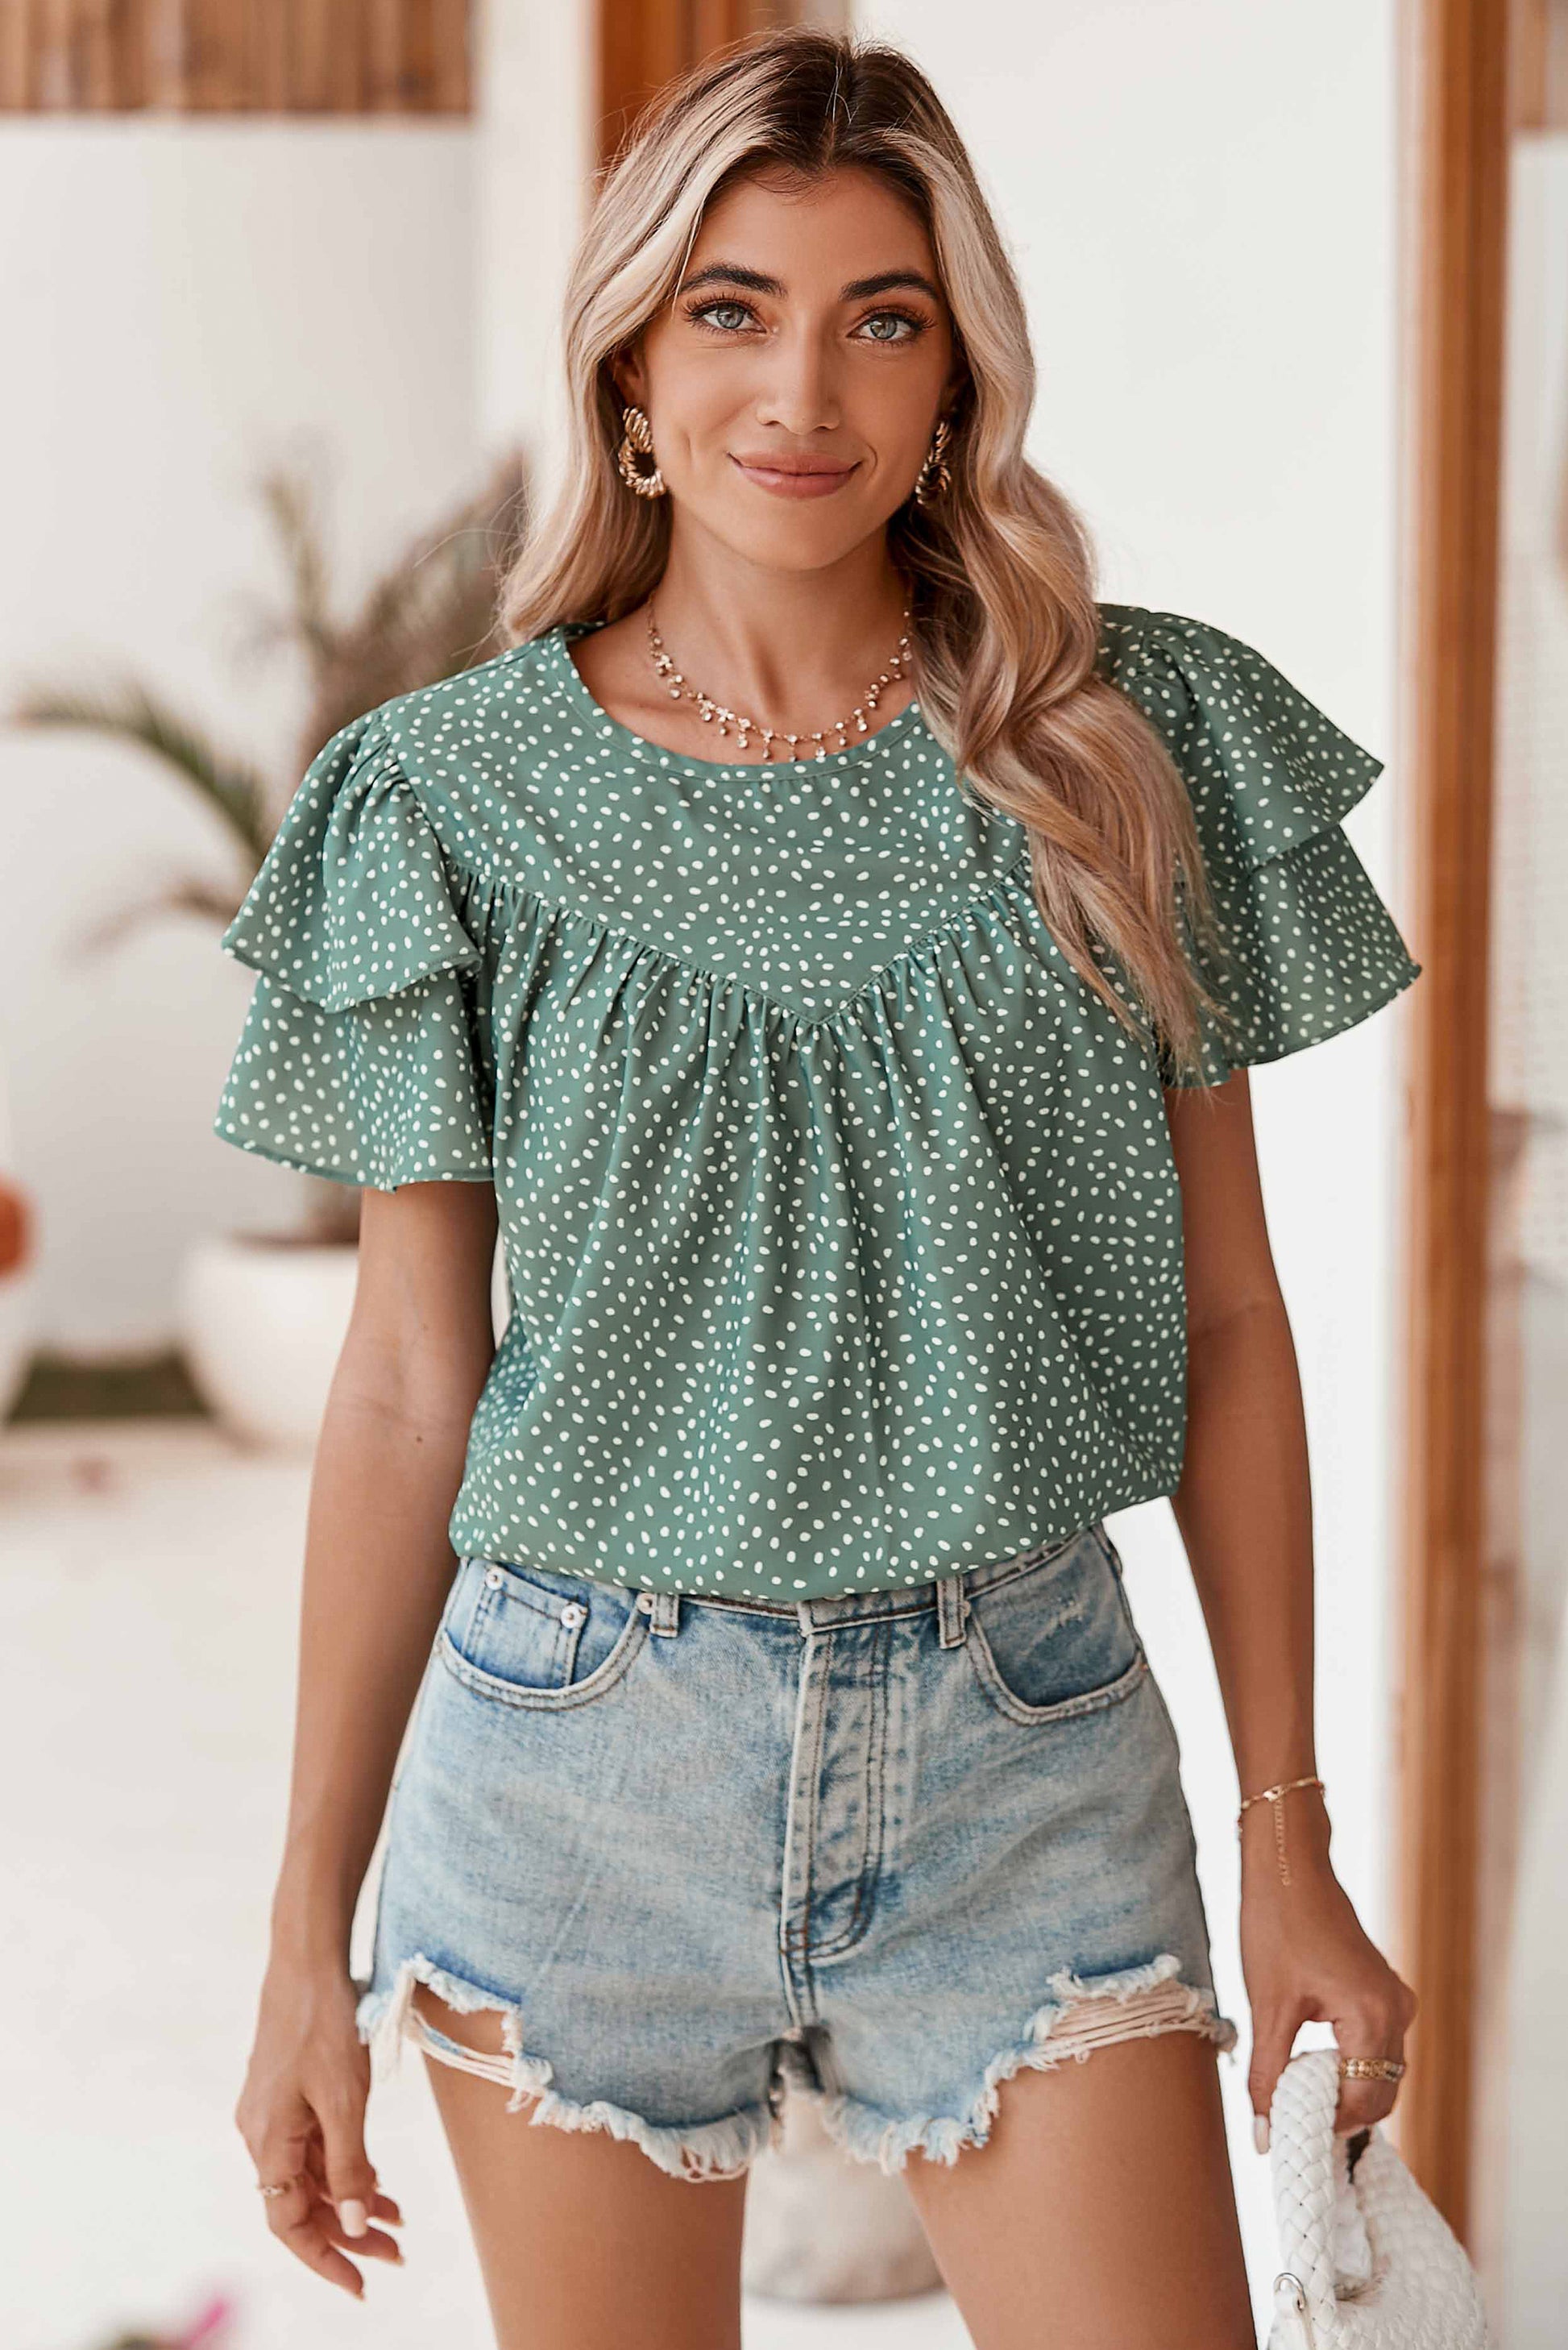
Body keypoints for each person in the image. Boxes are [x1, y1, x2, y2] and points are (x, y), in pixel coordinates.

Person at [215, 29, 1421, 2350]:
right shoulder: (441, 801)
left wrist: (1291, 1830)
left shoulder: (1116, 747)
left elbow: (1230, 1327)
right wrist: (304, 1931)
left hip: (1025, 1739)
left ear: (957, 376)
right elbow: (397, 1386)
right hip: (575, 1746)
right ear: (635, 372)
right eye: (731, 308)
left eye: (884, 313)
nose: (807, 384)